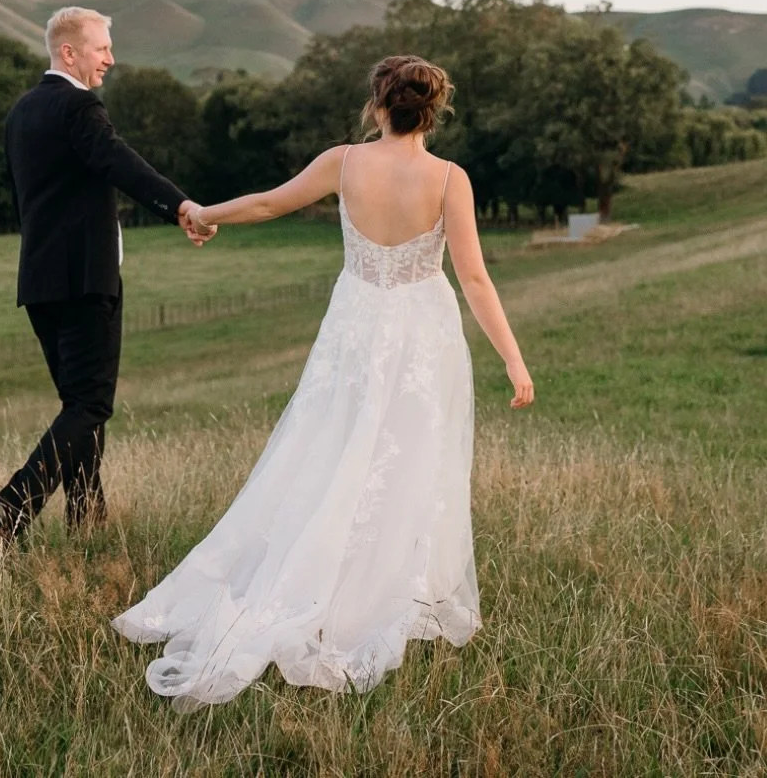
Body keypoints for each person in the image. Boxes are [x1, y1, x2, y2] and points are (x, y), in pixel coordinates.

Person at [113, 54, 533, 709]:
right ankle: (377, 588)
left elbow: (268, 202)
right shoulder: (450, 179)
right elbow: (475, 278)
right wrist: (513, 358)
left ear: (377, 106)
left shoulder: (344, 163)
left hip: (358, 327)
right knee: (409, 459)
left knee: (332, 444)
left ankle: (320, 579)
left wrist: (204, 212)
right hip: (423, 333)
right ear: (433, 111)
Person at [0, 6, 212, 540]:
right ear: (69, 52)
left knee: (79, 406)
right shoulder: (79, 107)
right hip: (86, 280)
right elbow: (117, 160)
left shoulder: (21, 112)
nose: (110, 57)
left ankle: (88, 517)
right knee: (90, 403)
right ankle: (10, 508)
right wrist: (179, 207)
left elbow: (24, 199)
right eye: (102, 47)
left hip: (39, 280)